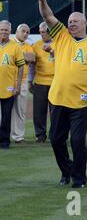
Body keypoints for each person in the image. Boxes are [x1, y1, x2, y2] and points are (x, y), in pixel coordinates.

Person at [32, 0, 87, 188]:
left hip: (82, 102)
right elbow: (48, 16)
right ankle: (67, 172)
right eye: (69, 22)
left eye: (75, 21)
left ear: (84, 23)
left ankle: (79, 178)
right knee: (56, 141)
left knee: (77, 141)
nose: (71, 23)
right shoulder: (62, 37)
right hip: (57, 99)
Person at [28, 22, 54, 143]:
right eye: (41, 32)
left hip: (56, 82)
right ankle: (40, 135)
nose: (42, 34)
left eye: (45, 32)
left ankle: (55, 134)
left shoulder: (59, 44)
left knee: (56, 111)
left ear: (51, 31)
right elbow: (32, 66)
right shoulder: (36, 46)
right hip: (40, 82)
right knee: (39, 111)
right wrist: (29, 81)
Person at [0, 20, 24, 149]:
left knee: (6, 116)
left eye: (6, 30)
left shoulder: (15, 47)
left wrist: (18, 85)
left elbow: (21, 67)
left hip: (9, 88)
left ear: (10, 31)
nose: (3, 32)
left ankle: (4, 141)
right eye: (1, 29)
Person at [11, 23, 35, 144]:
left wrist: (15, 55)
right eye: (23, 31)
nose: (25, 34)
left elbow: (32, 59)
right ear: (17, 31)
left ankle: (18, 137)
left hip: (23, 81)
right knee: (3, 109)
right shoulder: (9, 42)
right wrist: (23, 56)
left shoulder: (27, 45)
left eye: (27, 32)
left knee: (20, 110)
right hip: (7, 80)